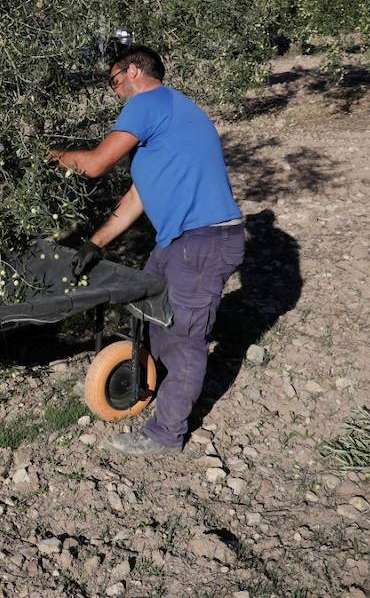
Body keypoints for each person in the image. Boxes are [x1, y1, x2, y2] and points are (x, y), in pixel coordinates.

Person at [48, 45, 244, 455]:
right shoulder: (171, 109)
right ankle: (147, 388)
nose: (114, 90)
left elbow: (97, 163)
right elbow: (139, 195)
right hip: (182, 239)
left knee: (184, 336)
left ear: (133, 71)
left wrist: (51, 158)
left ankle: (166, 435)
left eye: (114, 80)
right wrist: (96, 243)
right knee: (150, 308)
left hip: (203, 240)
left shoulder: (148, 101)